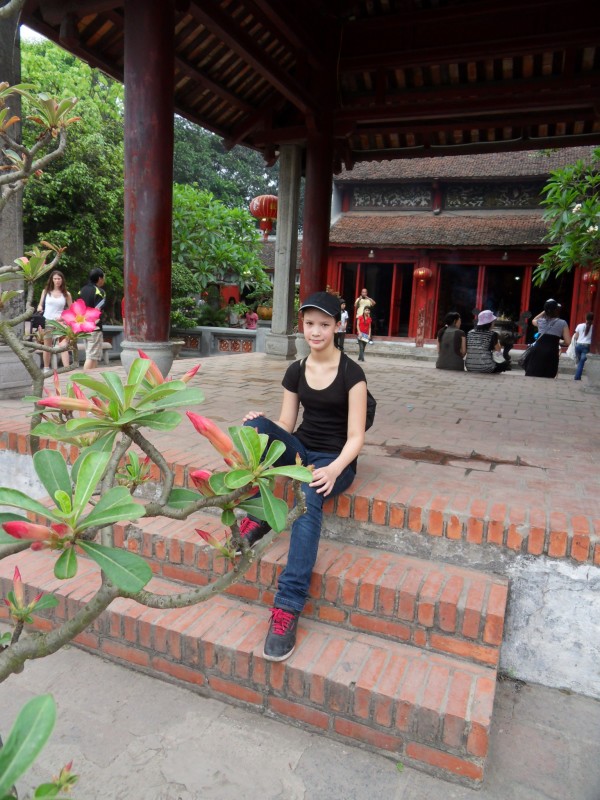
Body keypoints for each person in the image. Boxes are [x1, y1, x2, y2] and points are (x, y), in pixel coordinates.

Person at [238, 291, 367, 661]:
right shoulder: (296, 370)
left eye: (324, 324)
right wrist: (261, 424)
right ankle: (261, 515)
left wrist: (334, 469)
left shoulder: (352, 374)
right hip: (302, 448)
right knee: (255, 428)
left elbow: (356, 436)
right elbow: (285, 423)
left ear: (337, 326)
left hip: (335, 460)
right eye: (310, 324)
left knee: (309, 496)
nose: (316, 331)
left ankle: (288, 605)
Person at [525, 299, 571, 379]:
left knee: (533, 376)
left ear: (546, 310)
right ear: (556, 310)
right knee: (548, 377)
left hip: (537, 351)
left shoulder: (540, 321)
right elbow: (568, 342)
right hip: (552, 352)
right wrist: (559, 341)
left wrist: (545, 311)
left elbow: (533, 320)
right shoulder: (563, 323)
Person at [37, 270, 73, 372]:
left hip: (60, 322)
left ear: (62, 280)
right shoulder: (46, 292)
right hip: (48, 321)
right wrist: (40, 307)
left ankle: (66, 368)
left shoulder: (66, 294)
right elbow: (40, 304)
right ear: (52, 280)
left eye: (59, 279)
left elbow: (72, 310)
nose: (57, 281)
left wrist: (63, 317)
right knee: (47, 345)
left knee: (63, 344)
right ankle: (46, 368)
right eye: (55, 279)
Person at [79, 268, 106, 370]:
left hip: (83, 327)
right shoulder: (100, 292)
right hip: (94, 328)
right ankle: (83, 378)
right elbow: (98, 310)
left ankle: (93, 377)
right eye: (103, 277)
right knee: (91, 357)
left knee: (92, 356)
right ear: (99, 278)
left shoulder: (82, 290)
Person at [573, 312, 594, 381]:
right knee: (581, 363)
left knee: (580, 362)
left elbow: (576, 337)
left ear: (585, 318)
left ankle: (577, 376)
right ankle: (577, 377)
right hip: (586, 346)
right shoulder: (594, 327)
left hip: (578, 345)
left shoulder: (579, 325)